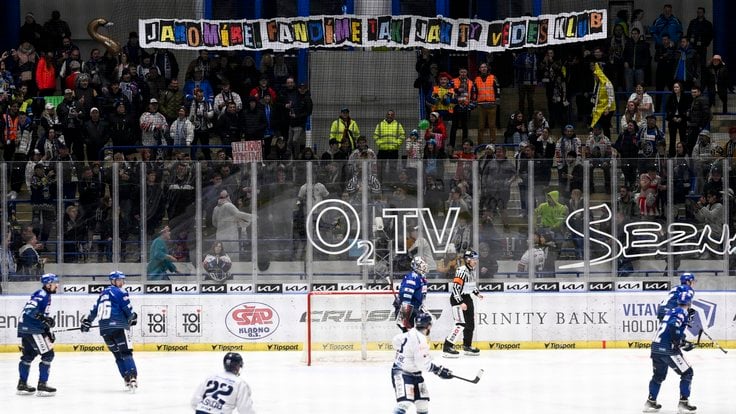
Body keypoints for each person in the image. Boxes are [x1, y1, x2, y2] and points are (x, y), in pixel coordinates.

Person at [81, 271, 139, 392]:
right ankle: (133, 377)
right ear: (112, 281)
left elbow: (94, 310)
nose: (121, 282)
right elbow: (127, 308)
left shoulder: (102, 294)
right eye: (119, 280)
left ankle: (126, 378)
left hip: (104, 329)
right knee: (126, 353)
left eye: (122, 280)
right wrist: (132, 317)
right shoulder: (120, 291)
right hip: (119, 327)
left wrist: (87, 322)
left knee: (117, 355)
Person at [644, 290, 697, 413]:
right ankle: (683, 403)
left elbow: (671, 328)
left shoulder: (671, 310)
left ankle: (650, 402)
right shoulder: (682, 312)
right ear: (690, 302)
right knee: (687, 373)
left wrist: (682, 340)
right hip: (668, 350)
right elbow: (674, 326)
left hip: (656, 348)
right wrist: (678, 341)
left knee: (658, 376)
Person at [391, 313, 453, 414]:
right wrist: (438, 370)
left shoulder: (411, 332)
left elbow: (395, 341)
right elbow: (422, 365)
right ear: (429, 326)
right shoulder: (421, 339)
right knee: (404, 403)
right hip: (402, 373)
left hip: (414, 373)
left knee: (422, 403)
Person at [16, 273, 59, 396]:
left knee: (28, 356)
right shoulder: (42, 294)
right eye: (55, 283)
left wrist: (46, 329)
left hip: (26, 328)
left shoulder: (45, 295)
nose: (57, 285)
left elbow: (37, 315)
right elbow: (29, 310)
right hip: (32, 329)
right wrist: (43, 319)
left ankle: (22, 384)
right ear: (48, 284)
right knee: (48, 355)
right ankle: (42, 385)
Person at [442, 249, 483, 357]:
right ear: (467, 260)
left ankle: (467, 346)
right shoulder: (461, 271)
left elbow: (471, 285)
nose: (476, 261)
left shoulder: (472, 270)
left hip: (467, 298)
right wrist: (460, 302)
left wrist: (477, 293)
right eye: (474, 259)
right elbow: (455, 289)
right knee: (460, 324)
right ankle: (447, 347)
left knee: (470, 324)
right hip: (457, 299)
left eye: (476, 259)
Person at [191, 352, 256, 414]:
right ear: (238, 366)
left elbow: (195, 400)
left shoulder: (211, 377)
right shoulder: (240, 383)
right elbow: (245, 409)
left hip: (201, 411)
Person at [394, 256, 429, 332]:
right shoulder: (412, 277)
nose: (424, 268)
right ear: (417, 266)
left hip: (414, 309)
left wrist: (421, 307)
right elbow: (406, 296)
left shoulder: (421, 278)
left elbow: (421, 296)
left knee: (416, 333)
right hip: (407, 310)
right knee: (408, 333)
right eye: (422, 266)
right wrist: (404, 316)